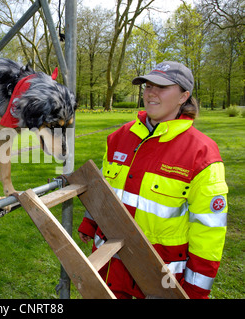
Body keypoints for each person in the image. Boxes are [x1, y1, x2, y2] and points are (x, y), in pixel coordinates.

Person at [78, 61, 228, 299]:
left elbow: (209, 229)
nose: (151, 93)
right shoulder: (119, 137)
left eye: (162, 87)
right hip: (107, 269)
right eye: (148, 85)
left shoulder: (202, 153)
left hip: (158, 277)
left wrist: (197, 290)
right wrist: (90, 222)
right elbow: (104, 189)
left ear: (183, 96)